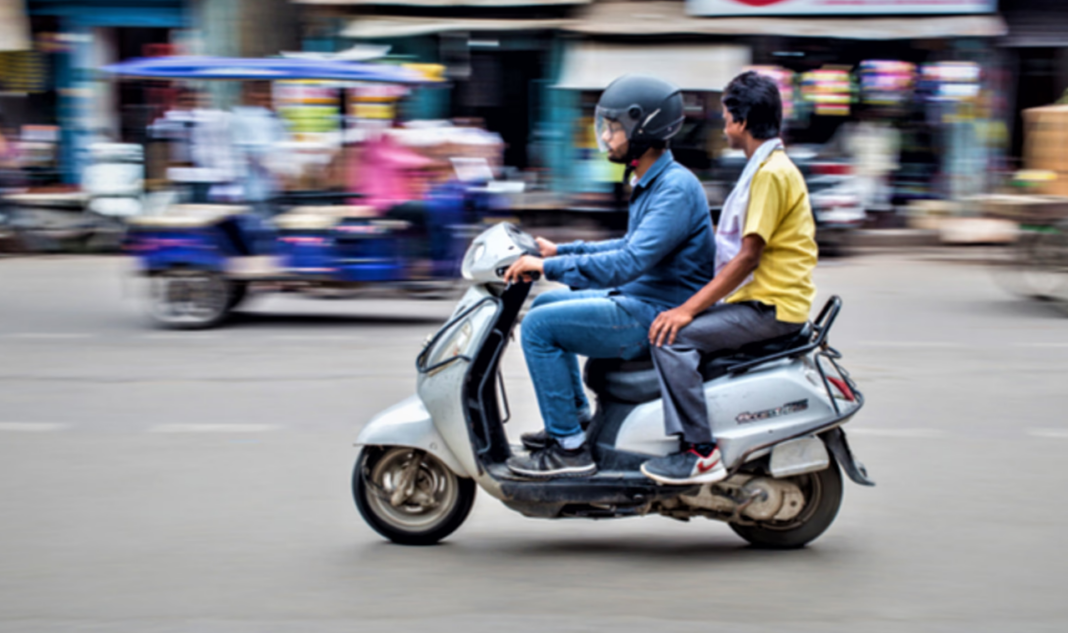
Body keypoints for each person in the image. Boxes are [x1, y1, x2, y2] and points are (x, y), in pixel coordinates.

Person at [501, 75, 716, 479]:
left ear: (642, 129)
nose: (606, 136)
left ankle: (569, 450)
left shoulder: (674, 189)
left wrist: (548, 268)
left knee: (538, 327)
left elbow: (627, 262)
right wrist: (561, 251)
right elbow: (627, 245)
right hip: (640, 298)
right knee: (546, 305)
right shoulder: (653, 182)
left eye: (613, 127)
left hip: (654, 313)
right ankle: (577, 419)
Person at [641, 70, 818, 486]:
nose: (722, 125)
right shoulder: (766, 167)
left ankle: (700, 451)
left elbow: (747, 258)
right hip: (764, 301)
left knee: (670, 336)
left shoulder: (771, 173)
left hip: (769, 308)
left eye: (725, 116)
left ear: (740, 121)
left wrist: (686, 310)